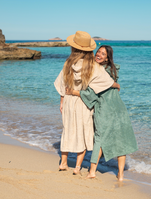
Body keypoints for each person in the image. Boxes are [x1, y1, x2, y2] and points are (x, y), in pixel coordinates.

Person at [66, 45, 138, 181]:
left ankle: (92, 171)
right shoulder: (112, 70)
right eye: (98, 52)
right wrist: (115, 85)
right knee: (121, 141)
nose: (99, 54)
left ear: (107, 57)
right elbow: (113, 87)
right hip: (119, 109)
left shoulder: (97, 71)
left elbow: (91, 94)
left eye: (103, 54)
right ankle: (121, 175)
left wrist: (73, 92)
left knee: (99, 139)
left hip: (104, 109)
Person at [54, 32, 120, 175]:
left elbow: (61, 84)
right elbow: (106, 82)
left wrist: (62, 101)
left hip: (69, 101)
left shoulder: (68, 63)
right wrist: (116, 85)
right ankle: (77, 168)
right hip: (83, 103)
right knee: (83, 135)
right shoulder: (93, 66)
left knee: (67, 131)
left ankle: (63, 163)